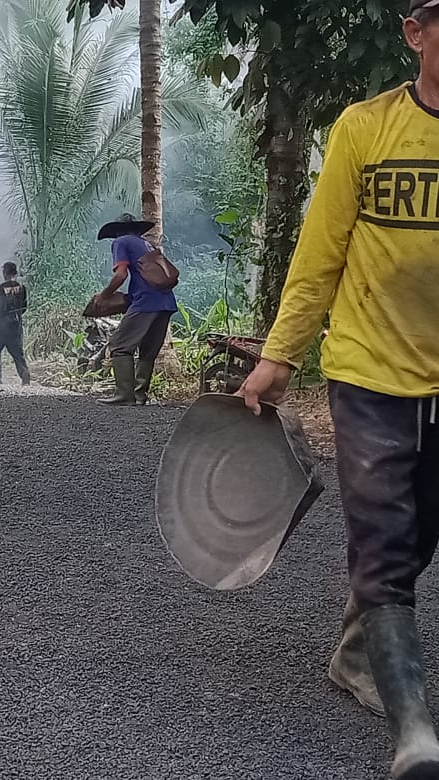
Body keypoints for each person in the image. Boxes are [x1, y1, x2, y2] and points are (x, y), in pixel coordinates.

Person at [238, 4, 439, 777]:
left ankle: (358, 650)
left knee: (422, 532)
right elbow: (320, 252)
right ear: (414, 33)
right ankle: (414, 730)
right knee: (385, 538)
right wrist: (280, 355)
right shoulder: (366, 127)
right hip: (368, 370)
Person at [95, 213, 177, 406]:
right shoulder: (148, 244)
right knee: (148, 350)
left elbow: (120, 275)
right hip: (166, 302)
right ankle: (140, 395)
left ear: (117, 231)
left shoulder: (121, 242)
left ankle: (124, 395)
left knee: (120, 346)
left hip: (146, 302)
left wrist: (104, 295)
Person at [0, 261, 31, 385]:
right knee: (18, 354)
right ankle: (24, 373)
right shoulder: (22, 288)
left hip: (0, 327)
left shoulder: (0, 289)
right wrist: (15, 317)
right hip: (15, 327)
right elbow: (24, 307)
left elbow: (1, 309)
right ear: (15, 273)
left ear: (5, 273)